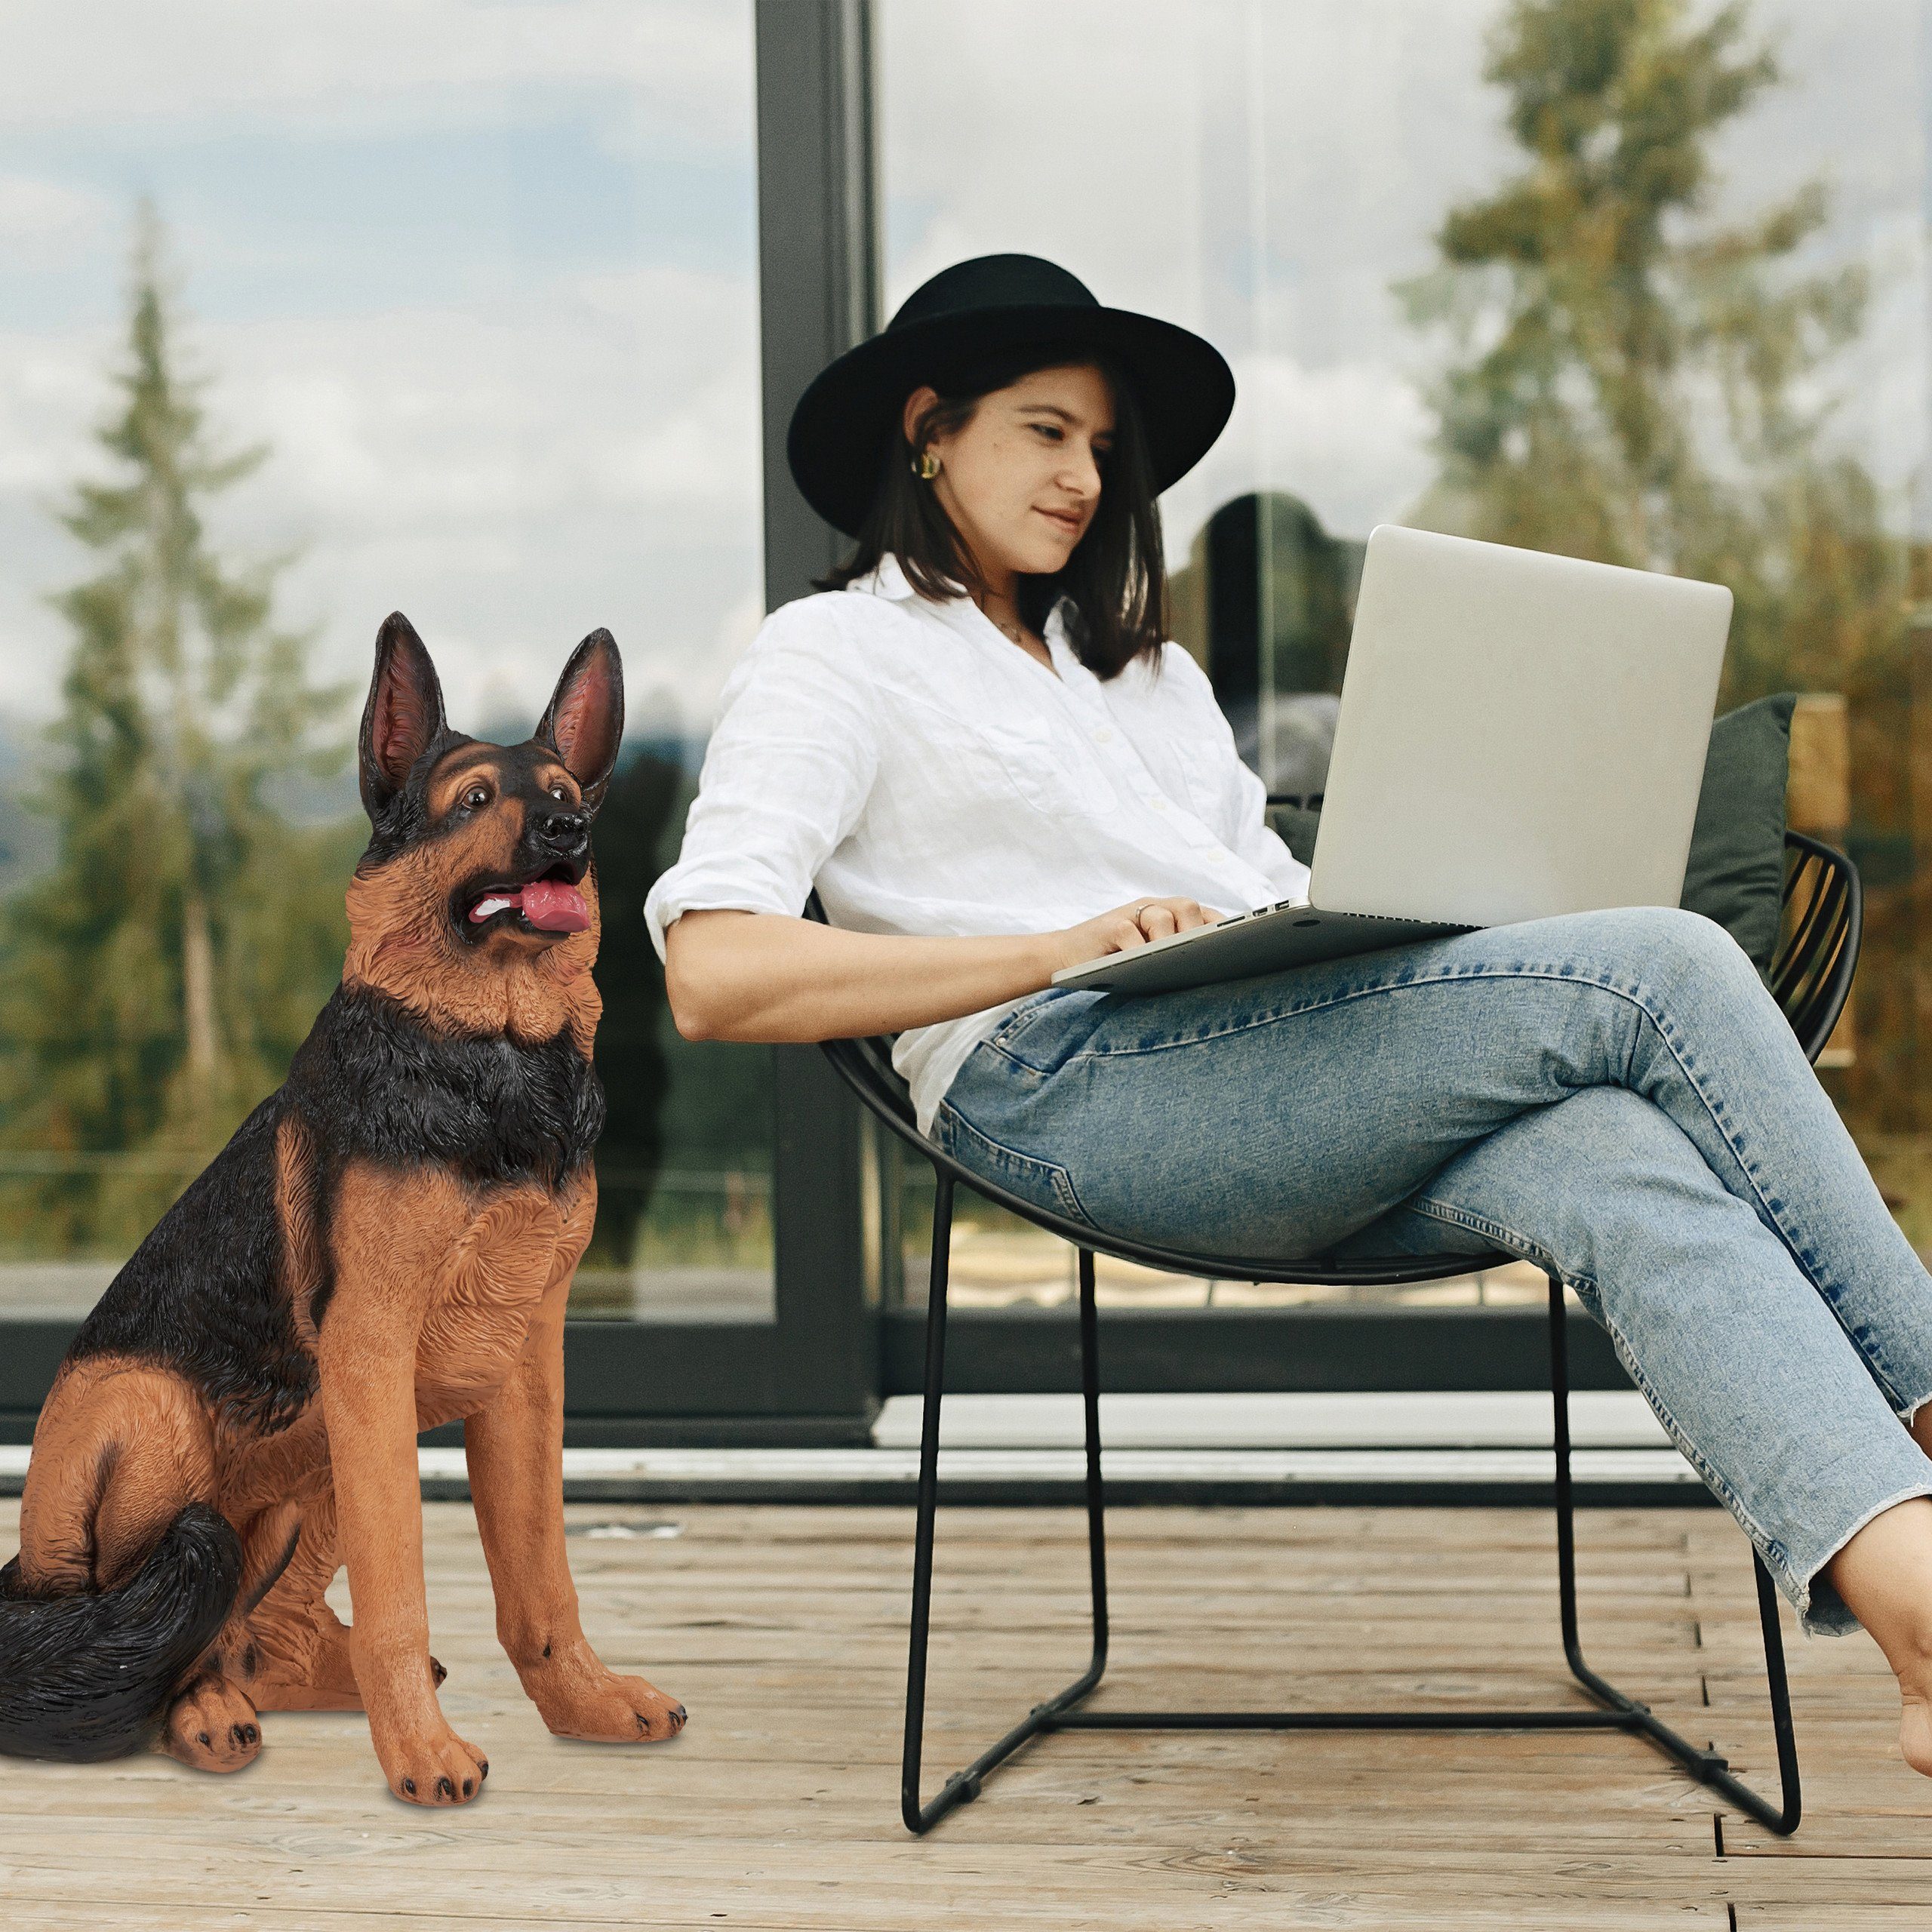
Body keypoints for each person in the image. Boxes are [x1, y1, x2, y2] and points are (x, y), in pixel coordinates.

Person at [646, 252, 1932, 1776]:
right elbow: (713, 969)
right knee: (1659, 963)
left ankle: (1919, 1625)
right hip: (1059, 1083)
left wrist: (1388, 901)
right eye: (1045, 431)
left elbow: (1252, 888)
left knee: (1607, 1156)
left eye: (1100, 449)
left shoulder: (1145, 678)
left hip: (1268, 1064)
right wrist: (1049, 949)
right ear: (927, 427)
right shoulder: (835, 652)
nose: (1082, 476)